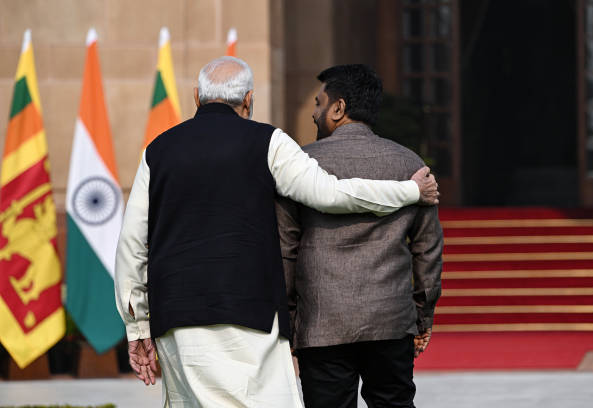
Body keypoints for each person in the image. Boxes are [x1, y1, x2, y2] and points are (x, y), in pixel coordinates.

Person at [114, 56, 439, 407]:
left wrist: (137, 328)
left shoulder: (156, 151)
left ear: (196, 96)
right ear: (249, 99)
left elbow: (131, 246)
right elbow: (330, 194)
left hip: (177, 317)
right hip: (251, 315)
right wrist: (408, 191)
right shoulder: (269, 142)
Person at [276, 64, 443, 408]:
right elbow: (427, 249)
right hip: (391, 321)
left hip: (322, 325)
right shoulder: (409, 164)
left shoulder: (302, 165)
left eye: (319, 103)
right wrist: (421, 315)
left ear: (338, 109)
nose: (313, 113)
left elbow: (285, 250)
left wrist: (292, 319)